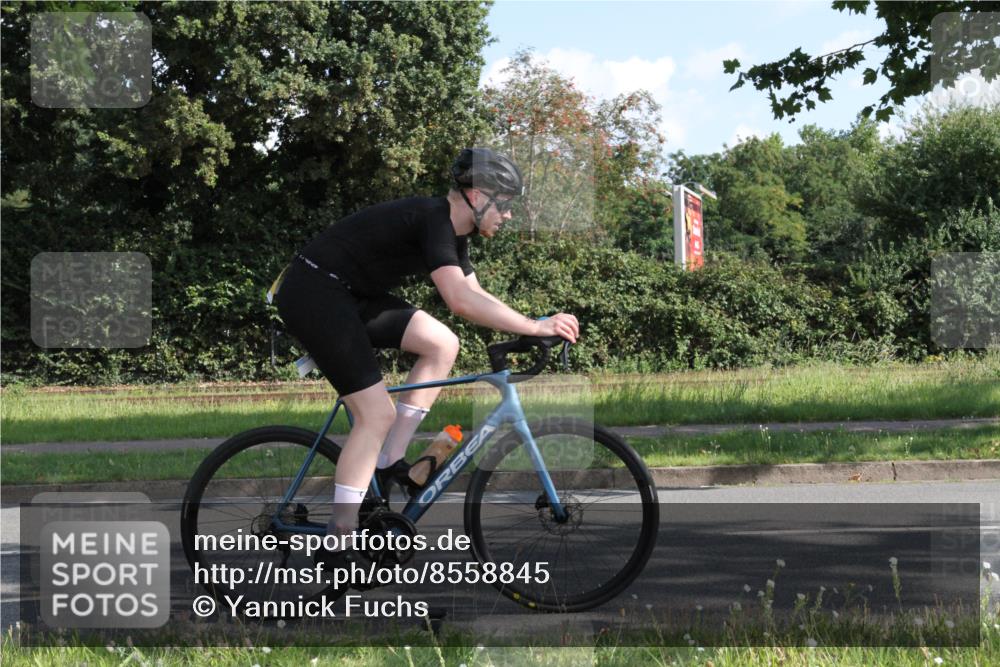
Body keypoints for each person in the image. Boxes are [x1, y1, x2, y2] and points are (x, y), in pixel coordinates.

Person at [272, 148, 579, 553]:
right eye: (504, 205)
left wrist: (531, 324)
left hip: (350, 295)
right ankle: (340, 536)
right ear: (478, 195)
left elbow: (476, 294)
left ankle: (388, 461)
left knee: (442, 342)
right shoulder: (434, 219)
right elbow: (459, 301)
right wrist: (535, 326)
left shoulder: (454, 232)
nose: (507, 215)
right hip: (315, 293)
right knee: (375, 414)